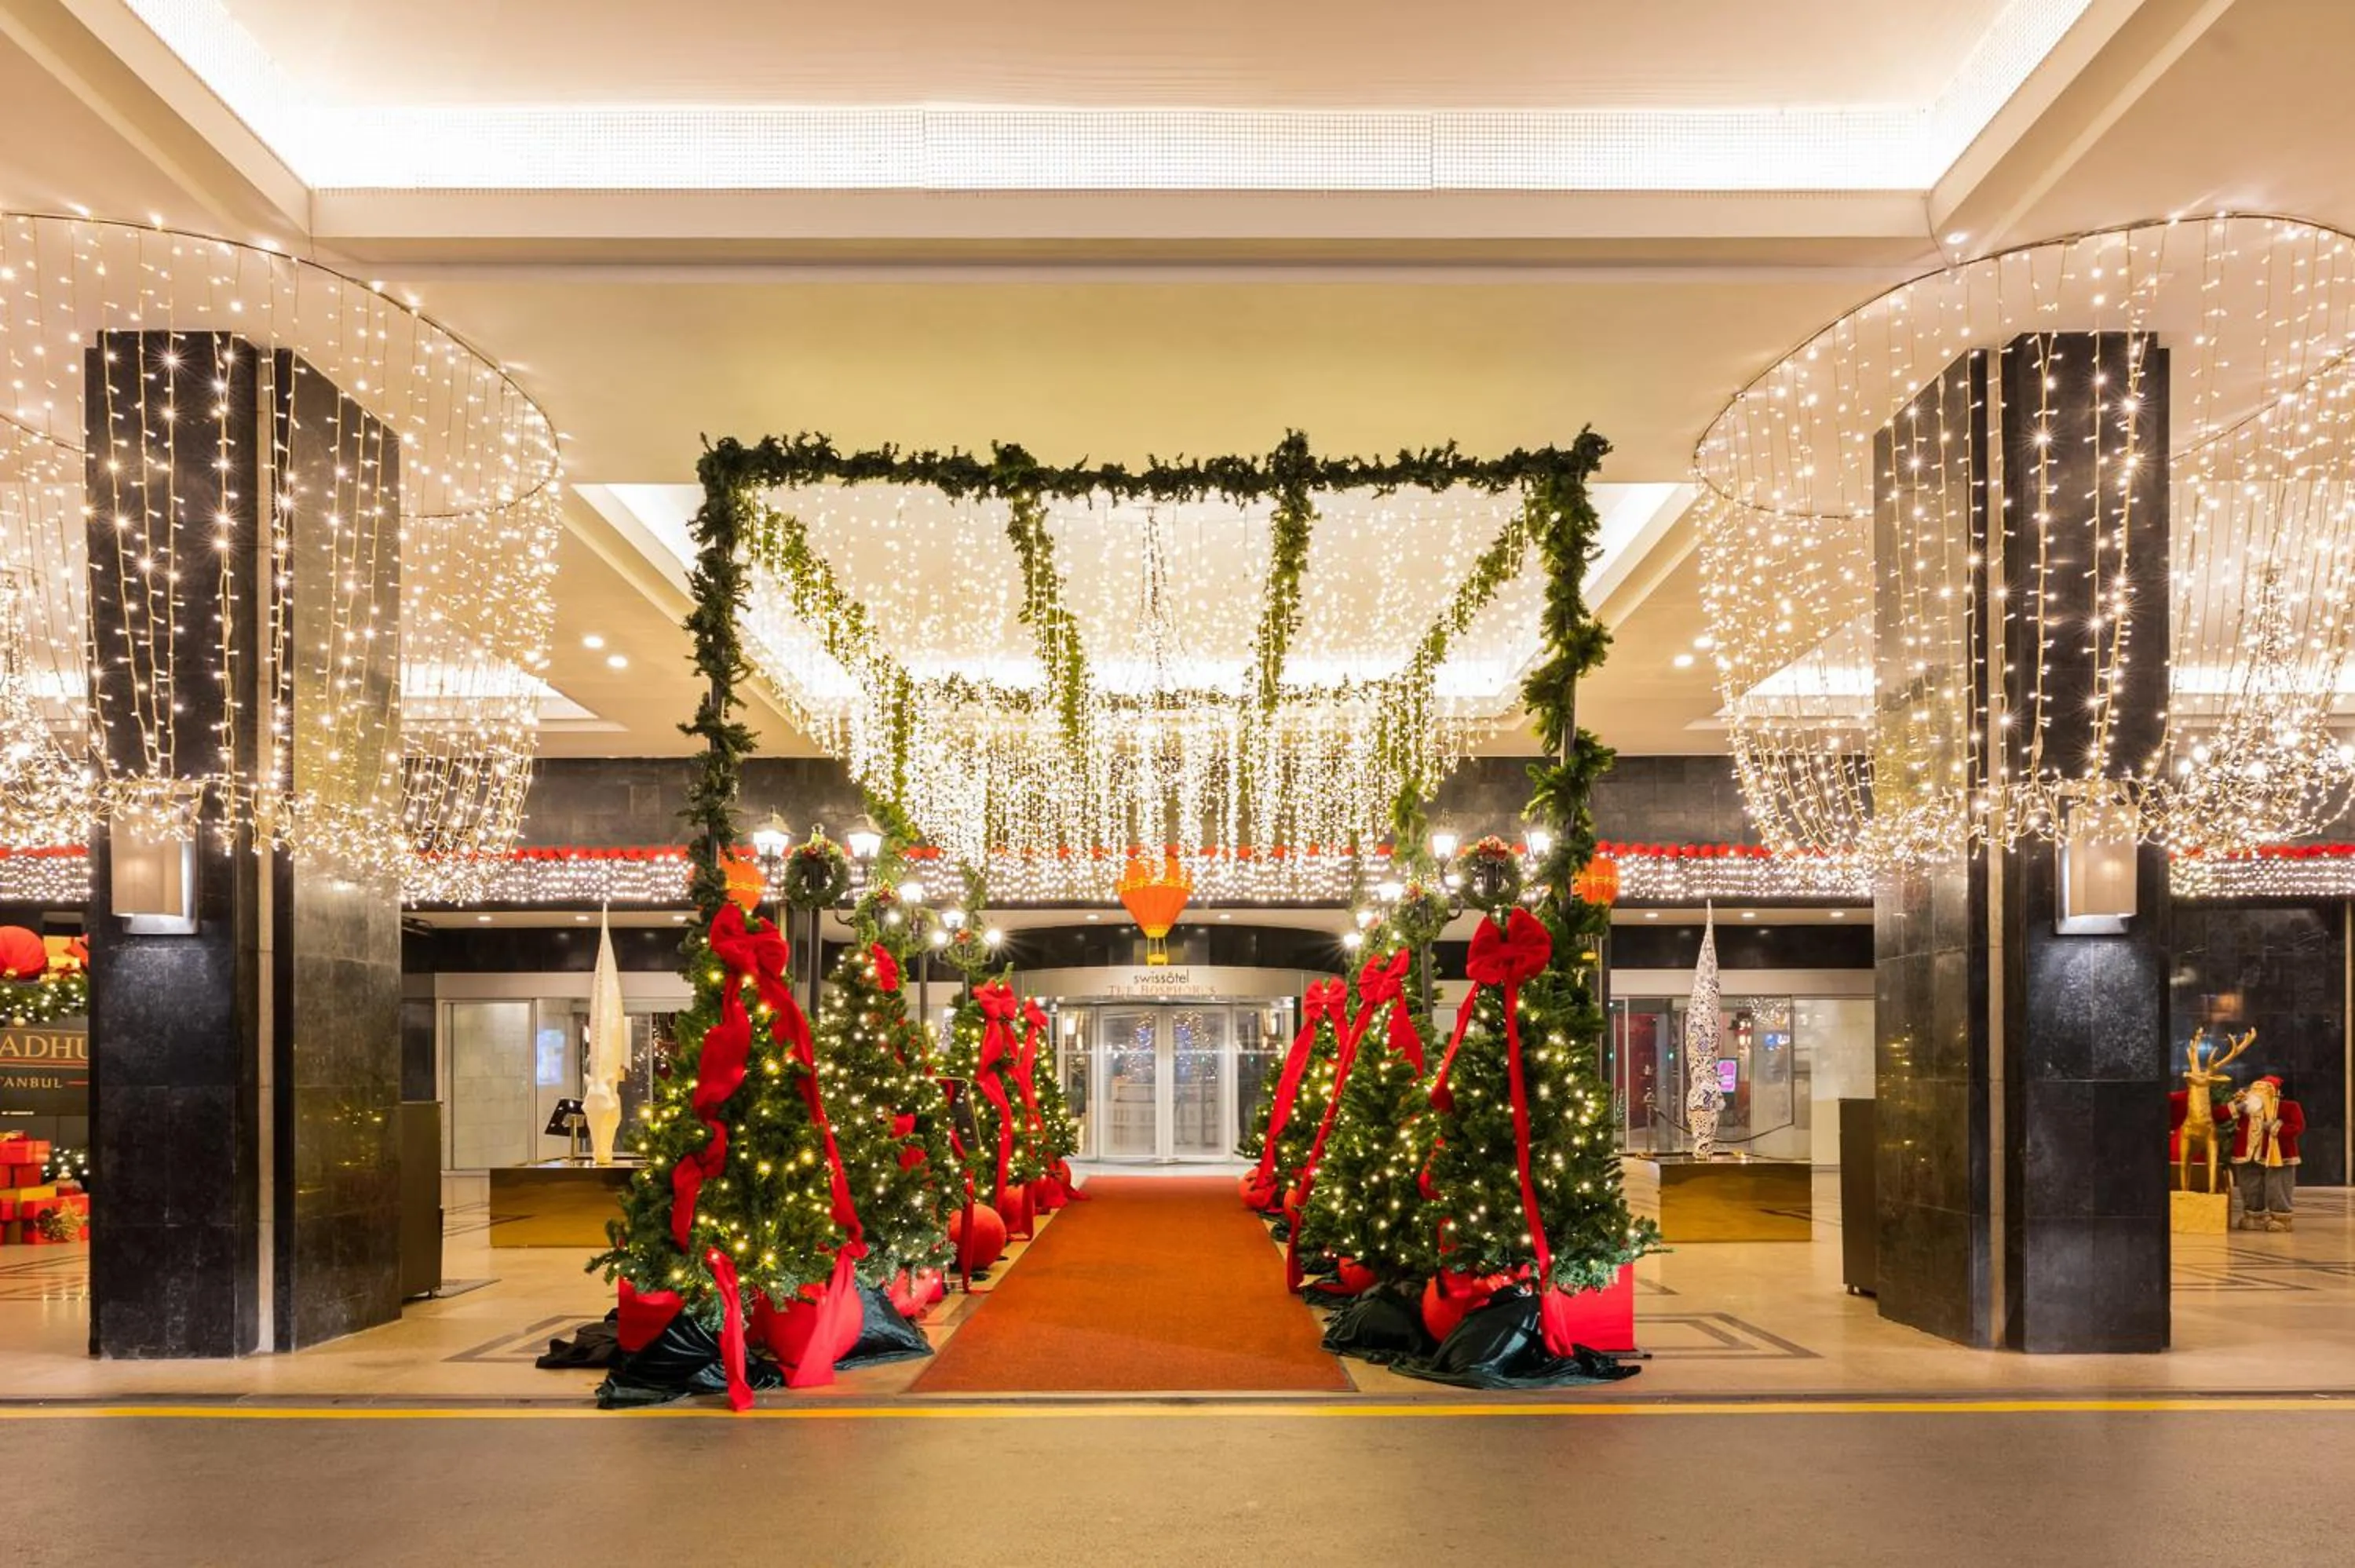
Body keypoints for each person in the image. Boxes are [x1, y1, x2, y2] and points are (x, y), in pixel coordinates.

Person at [2228, 1076, 2304, 1232]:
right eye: (2255, 1090)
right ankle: (2254, 1217)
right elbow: (2220, 1117)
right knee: (2250, 1186)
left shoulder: (2288, 1107)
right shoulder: (2245, 1108)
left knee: (2278, 1187)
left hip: (2278, 1156)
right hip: (2247, 1154)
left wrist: (2276, 1127)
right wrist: (2236, 1108)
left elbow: (2297, 1127)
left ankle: (2281, 1218)